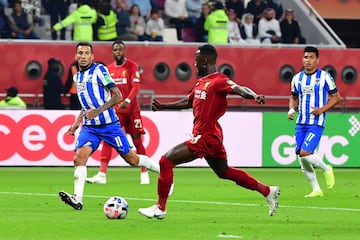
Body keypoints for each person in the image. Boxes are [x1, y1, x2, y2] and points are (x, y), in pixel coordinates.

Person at [138, 44, 280, 219]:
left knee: (165, 161)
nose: (194, 65)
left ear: (205, 60)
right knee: (224, 172)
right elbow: (190, 101)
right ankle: (267, 191)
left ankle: (160, 207)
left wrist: (254, 95)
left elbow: (239, 88)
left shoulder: (219, 80)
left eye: (196, 61)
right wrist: (165, 106)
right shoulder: (201, 83)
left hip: (206, 136)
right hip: (210, 136)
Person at [59, 41, 160, 210]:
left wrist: (98, 111)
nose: (83, 57)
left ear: (92, 56)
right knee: (79, 158)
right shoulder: (77, 77)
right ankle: (77, 198)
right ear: (76, 56)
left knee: (132, 159)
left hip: (110, 126)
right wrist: (77, 122)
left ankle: (161, 171)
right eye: (80, 53)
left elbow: (118, 96)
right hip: (90, 127)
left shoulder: (100, 70)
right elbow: (86, 105)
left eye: (86, 53)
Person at [86, 40, 151, 185]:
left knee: (136, 140)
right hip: (117, 111)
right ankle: (102, 174)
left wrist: (127, 101)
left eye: (120, 50)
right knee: (108, 140)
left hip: (132, 110)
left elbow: (135, 86)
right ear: (112, 52)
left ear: (124, 51)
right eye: (115, 50)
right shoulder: (108, 69)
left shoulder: (132, 66)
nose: (118, 52)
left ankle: (144, 172)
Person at [287, 46, 339, 198]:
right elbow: (294, 97)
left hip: (316, 122)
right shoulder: (297, 78)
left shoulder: (324, 77)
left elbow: (336, 97)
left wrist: (321, 110)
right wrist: (291, 109)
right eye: (305, 57)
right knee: (302, 158)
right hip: (301, 122)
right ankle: (316, 189)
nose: (307, 60)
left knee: (305, 152)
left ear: (317, 60)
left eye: (311, 57)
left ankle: (326, 168)